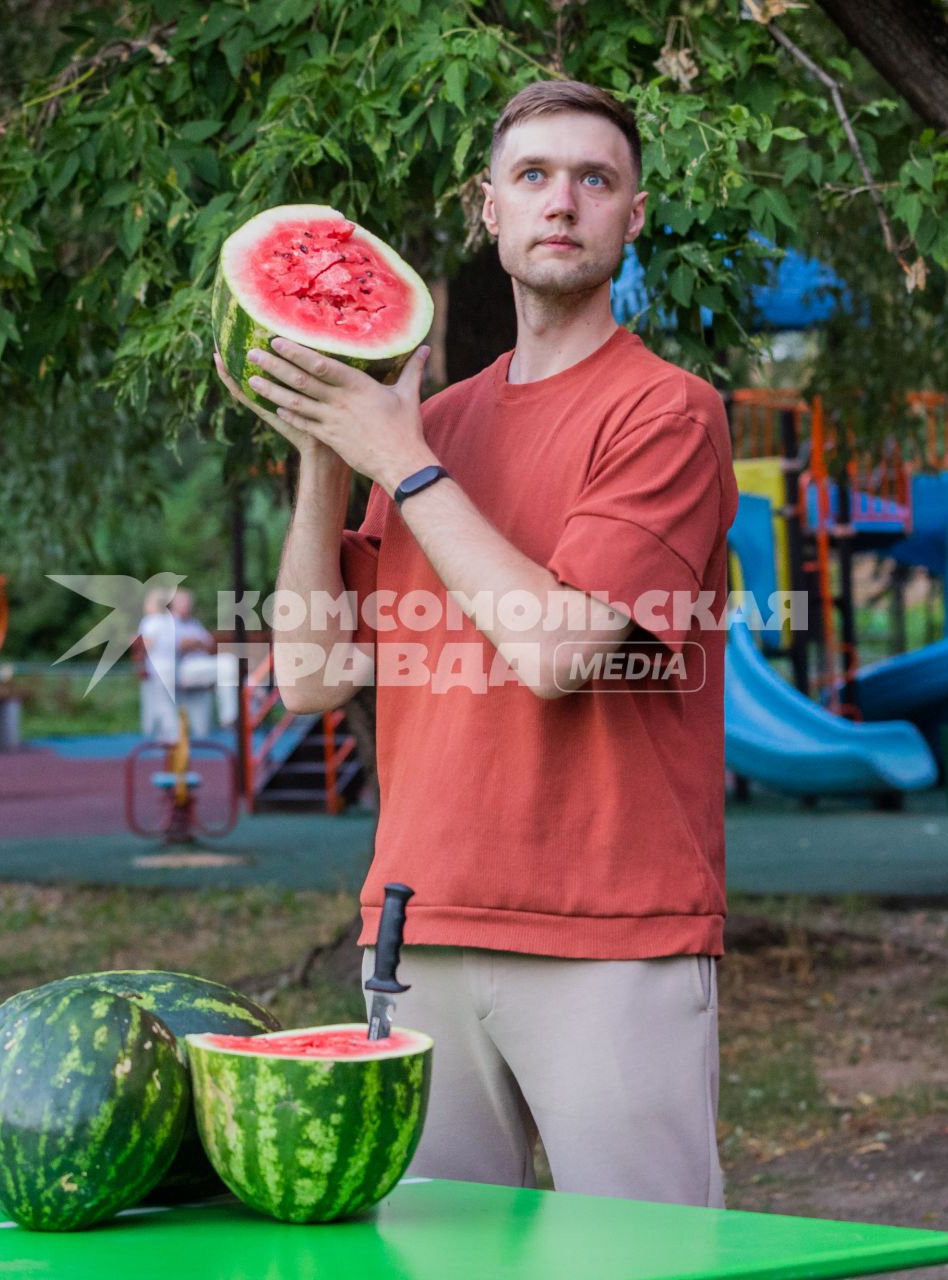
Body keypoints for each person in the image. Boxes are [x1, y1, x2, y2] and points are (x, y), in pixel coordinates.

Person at [215, 81, 738, 1208]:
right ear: (487, 209)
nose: (564, 203)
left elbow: (555, 651)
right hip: (417, 927)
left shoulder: (667, 411)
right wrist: (325, 451)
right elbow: (308, 675)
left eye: (595, 180)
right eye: (535, 177)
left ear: (633, 216)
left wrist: (395, 456)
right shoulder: (431, 428)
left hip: (612, 937)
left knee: (638, 1263)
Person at [137, 586, 218, 743]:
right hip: (173, 670)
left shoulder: (151, 621)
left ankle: (169, 742)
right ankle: (177, 740)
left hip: (160, 672)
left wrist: (137, 647)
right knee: (172, 708)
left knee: (164, 709)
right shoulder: (169, 621)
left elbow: (147, 643)